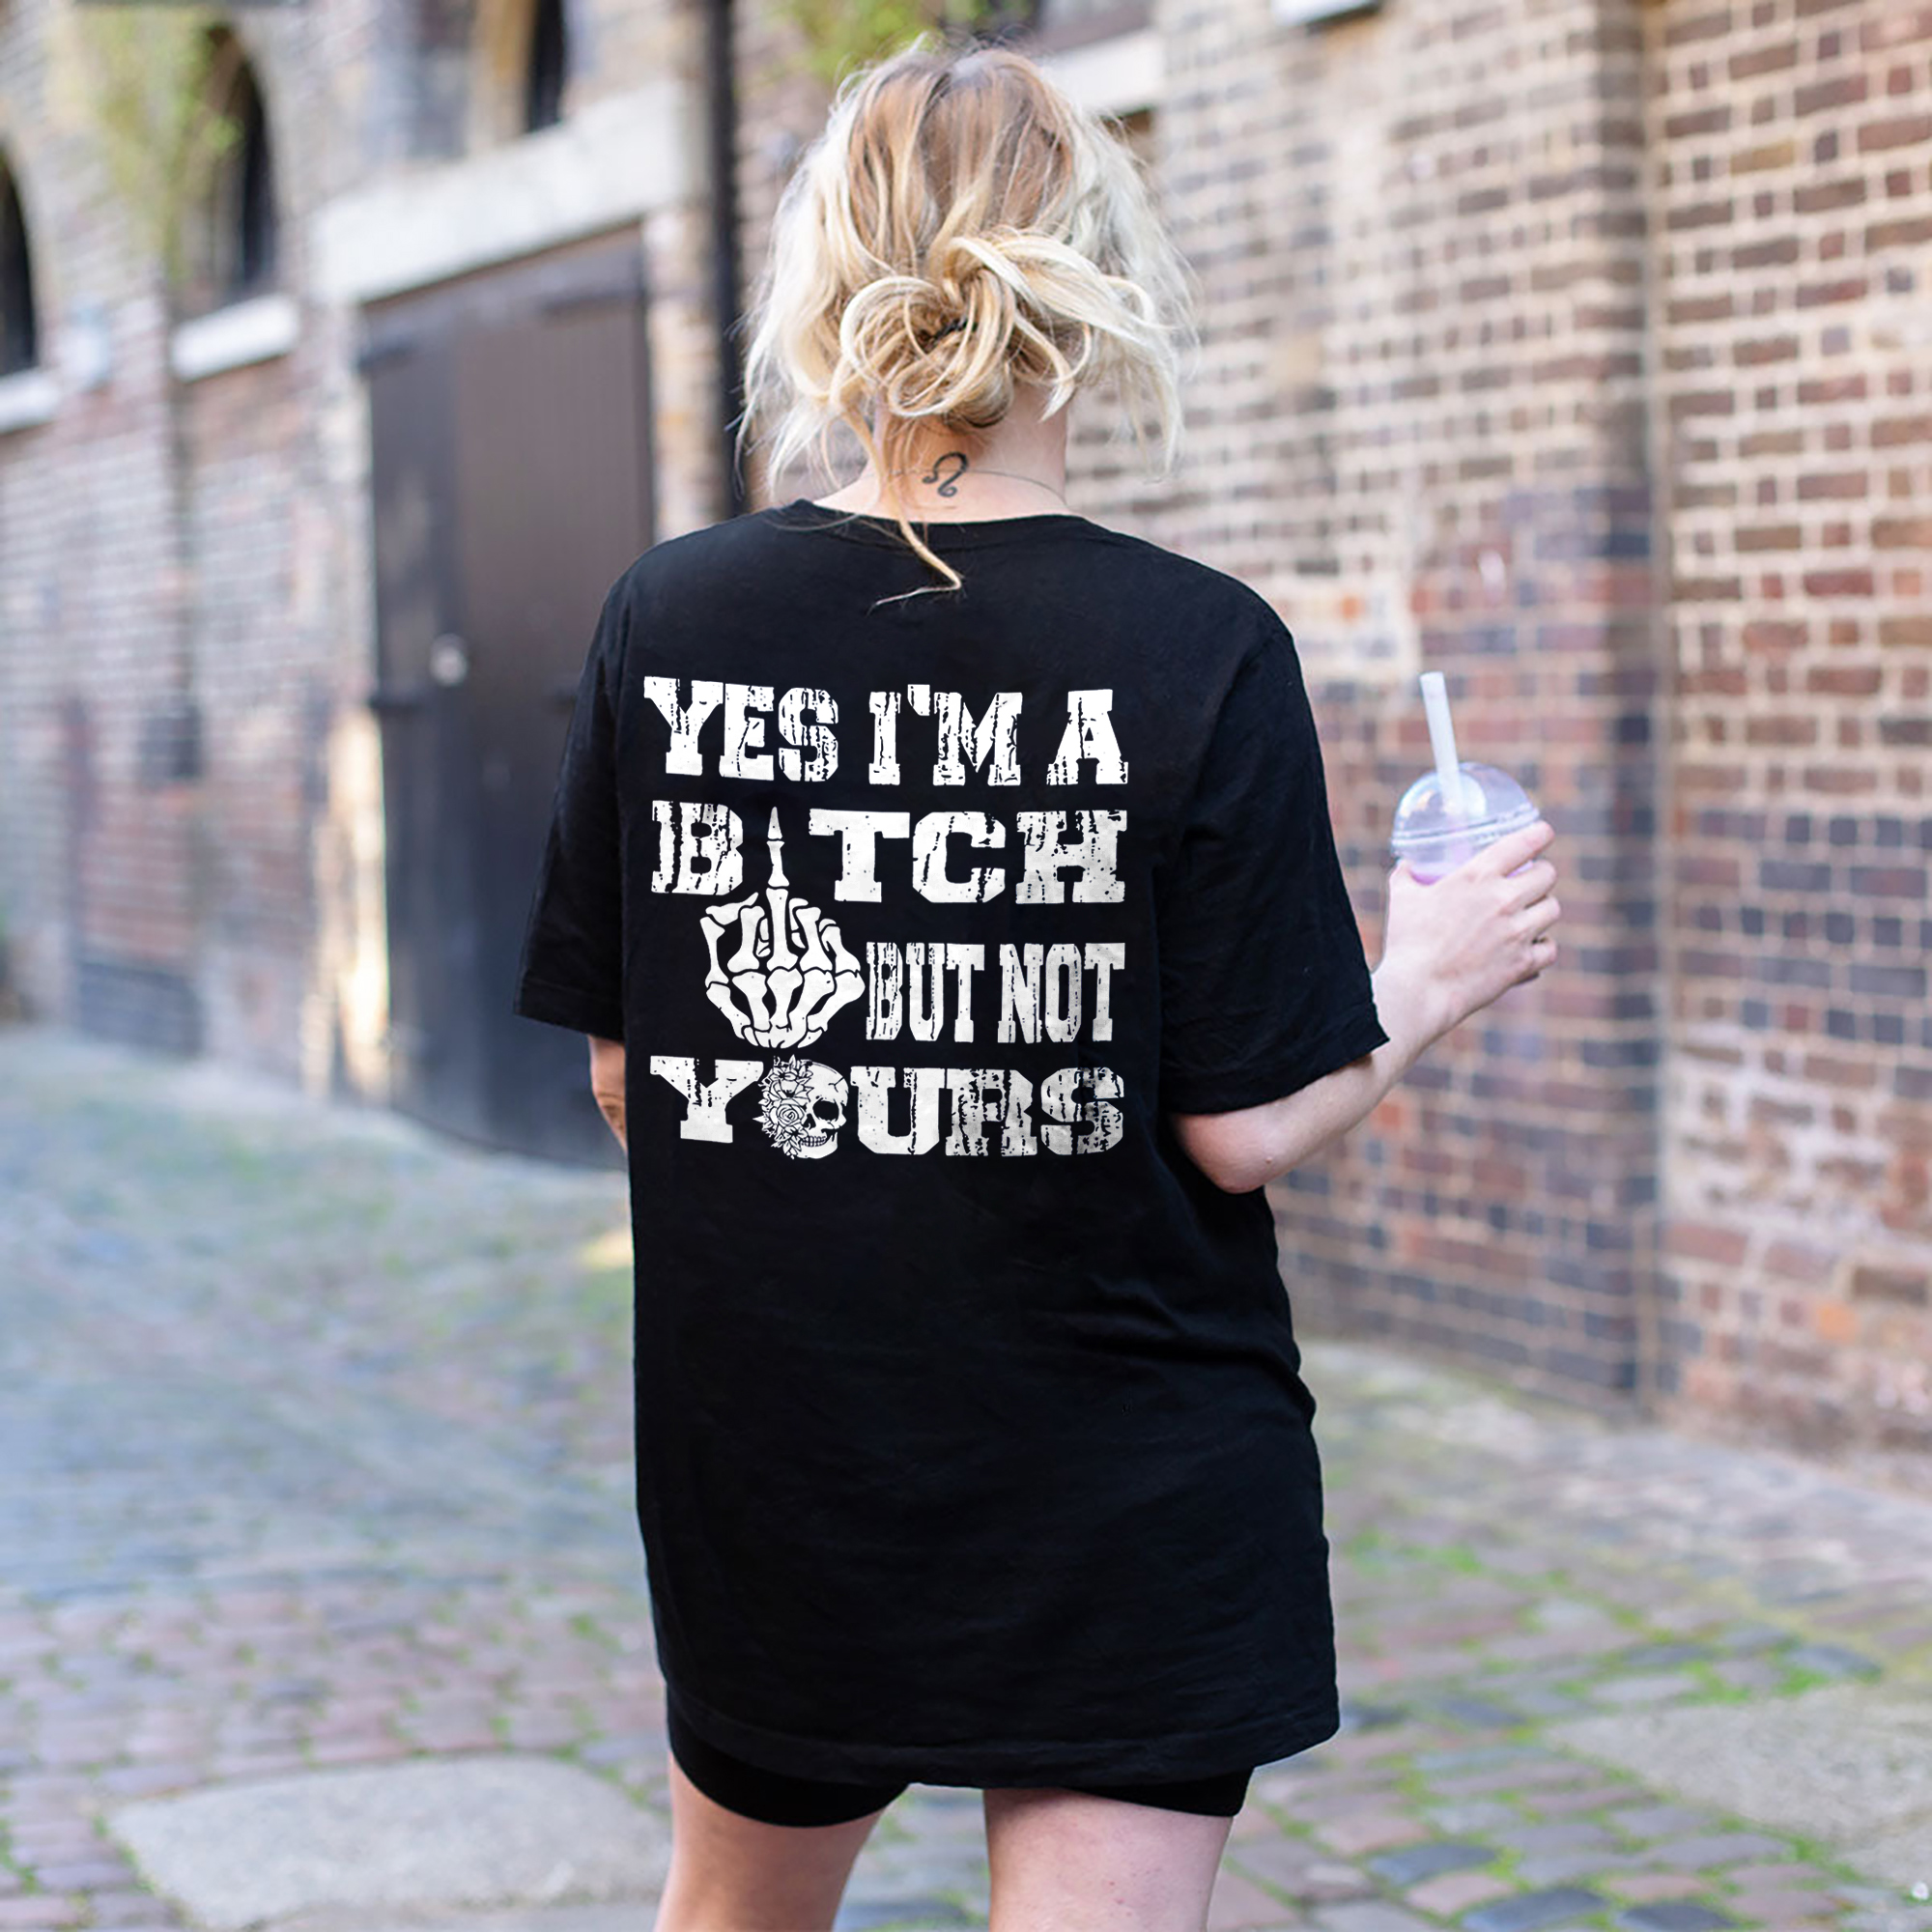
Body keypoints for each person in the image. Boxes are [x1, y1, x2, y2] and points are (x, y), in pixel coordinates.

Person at [511, 37, 1561, 1932]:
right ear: (1094, 287)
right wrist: (1427, 972)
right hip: (1123, 1484)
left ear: (827, 281)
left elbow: (630, 1074)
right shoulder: (1199, 645)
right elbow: (1242, 1128)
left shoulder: (670, 619)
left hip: (789, 1465)